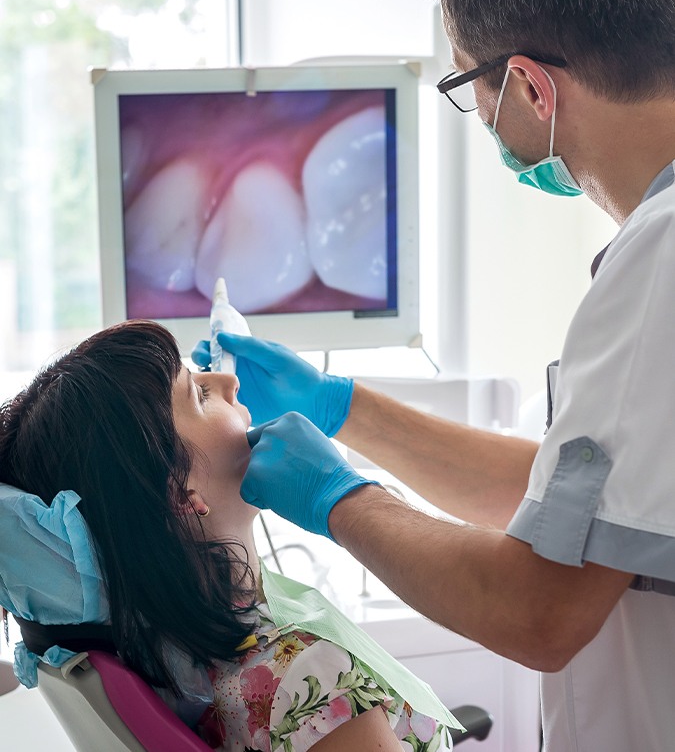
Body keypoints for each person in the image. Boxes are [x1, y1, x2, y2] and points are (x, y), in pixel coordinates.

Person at [191, 0, 675, 750]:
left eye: (463, 82)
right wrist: (340, 406)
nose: (477, 115)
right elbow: (579, 511)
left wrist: (341, 498)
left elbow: (539, 609)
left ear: (528, 85)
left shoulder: (660, 258)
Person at [0, 320, 455, 751]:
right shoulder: (307, 673)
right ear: (180, 493)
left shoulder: (183, 664)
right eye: (199, 393)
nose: (229, 382)